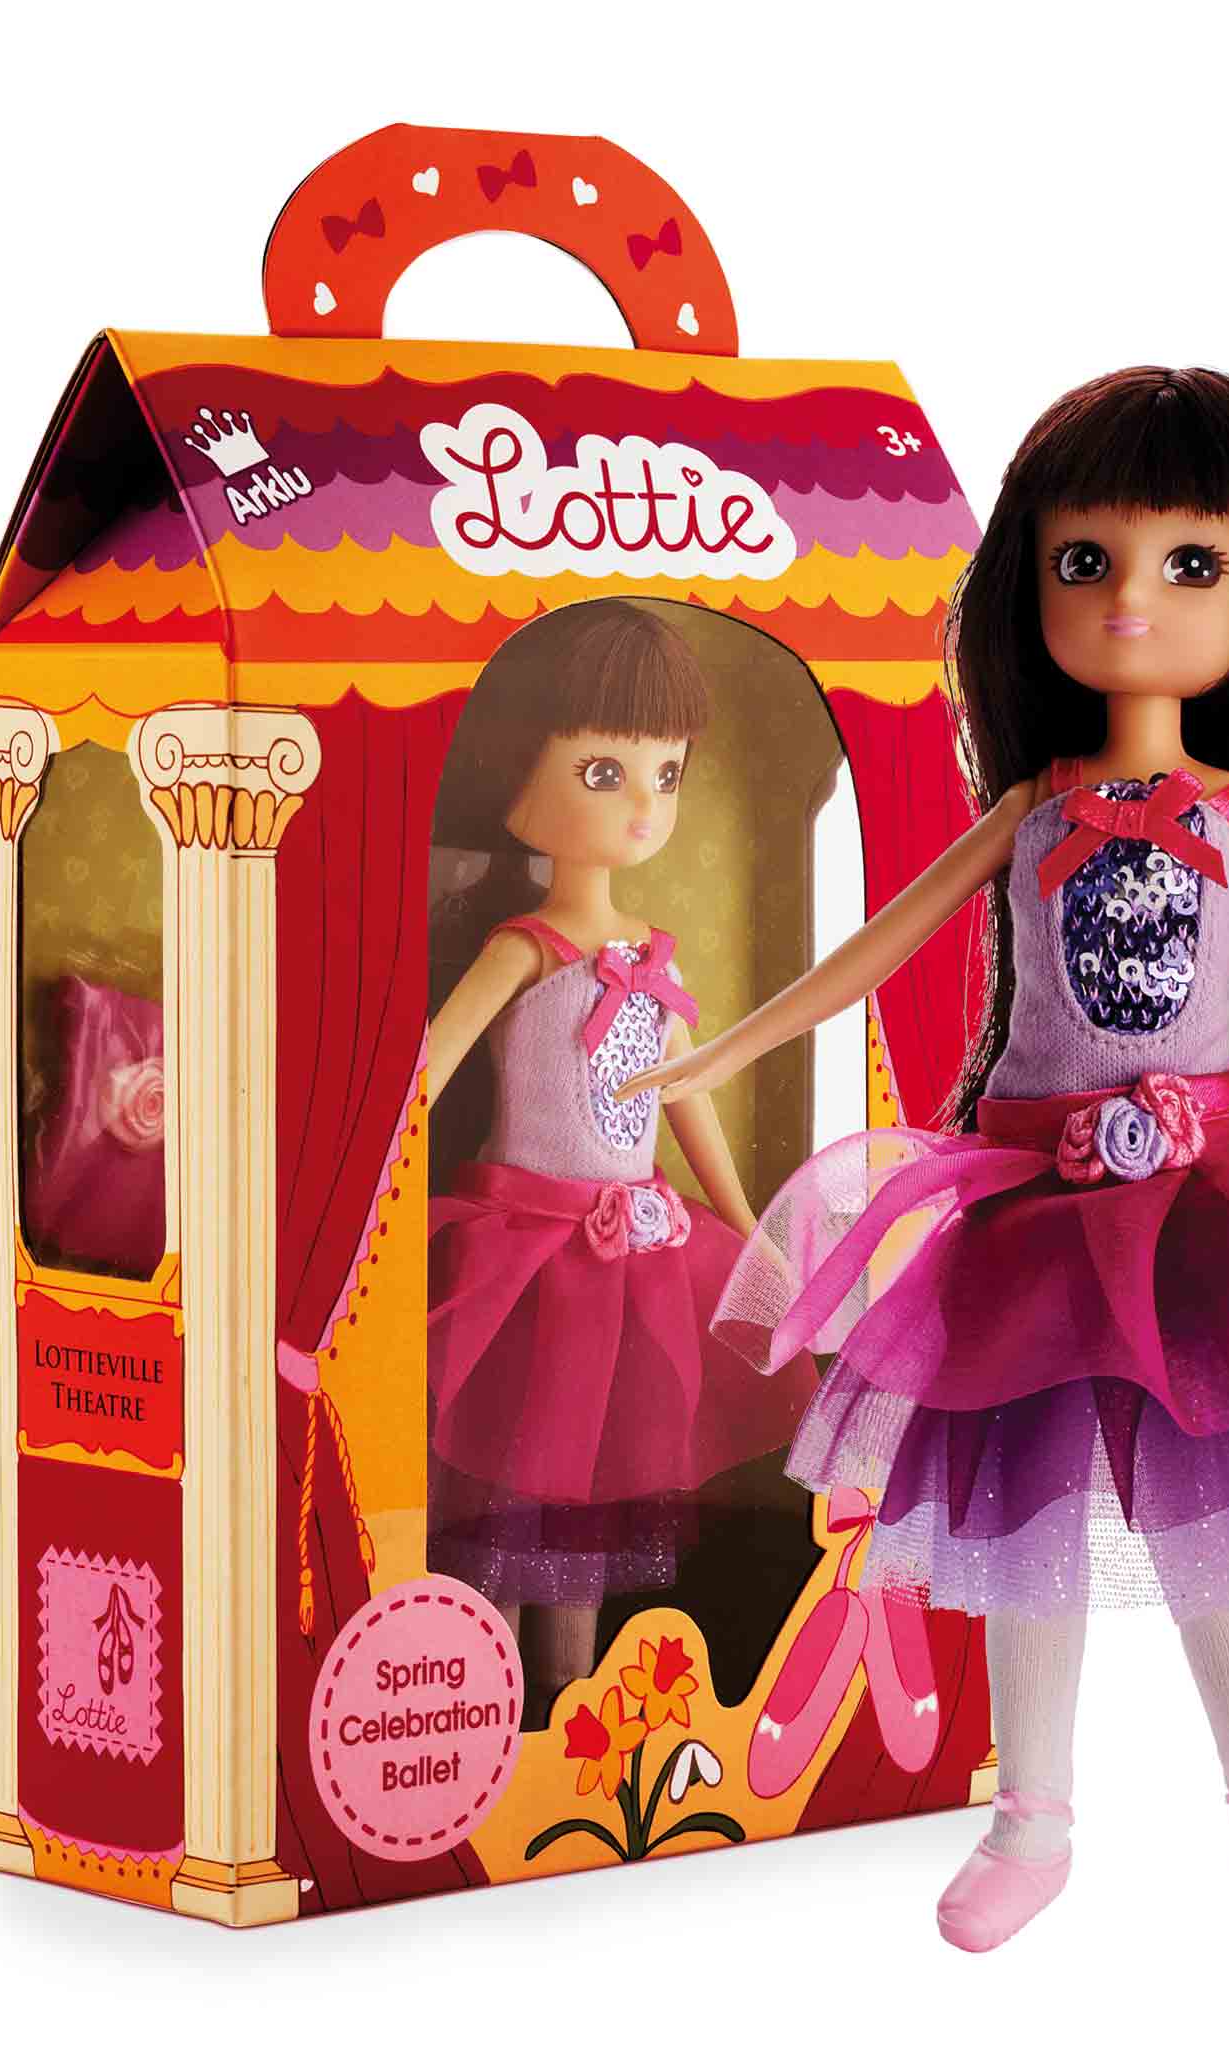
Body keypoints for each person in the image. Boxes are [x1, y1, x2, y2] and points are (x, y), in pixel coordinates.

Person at [620, 369, 1229, 1952]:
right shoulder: (1029, 806)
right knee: (1018, 1526)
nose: (1132, 598)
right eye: (1087, 561)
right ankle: (1034, 1817)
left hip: (1207, 1206)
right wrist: (721, 1053)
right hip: (1024, 1204)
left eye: (1190, 565)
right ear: (1033, 581)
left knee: (1225, 1516)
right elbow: (879, 947)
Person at [422, 597, 815, 1729]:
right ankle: (477, 1700)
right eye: (606, 773)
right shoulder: (522, 948)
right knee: (508, 1485)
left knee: (593, 1494)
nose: (645, 803)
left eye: (666, 773)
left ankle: (570, 1699)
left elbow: (685, 1098)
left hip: (636, 1257)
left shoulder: (650, 958)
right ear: (517, 775)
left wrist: (745, 1226)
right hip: (528, 1251)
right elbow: (426, 1070)